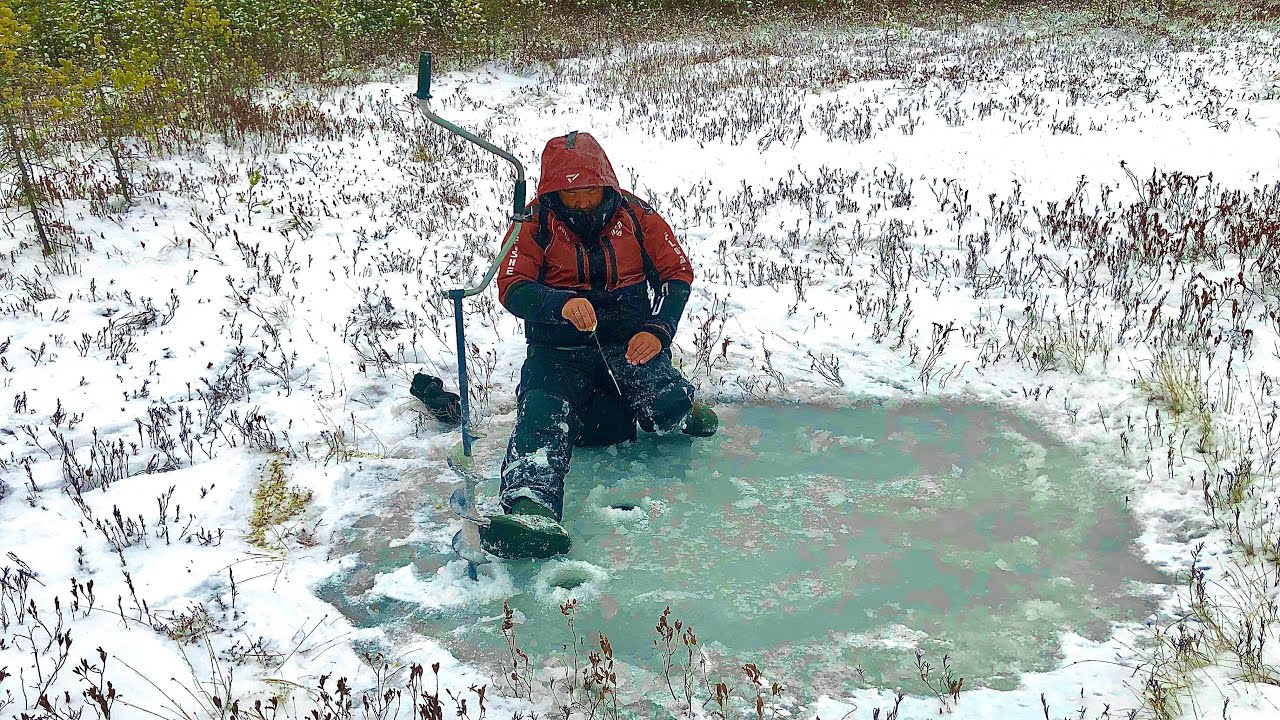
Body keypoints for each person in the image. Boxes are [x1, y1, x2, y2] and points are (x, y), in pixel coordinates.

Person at [479, 131, 717, 559]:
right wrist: (560, 304)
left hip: (628, 341)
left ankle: (679, 405)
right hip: (557, 350)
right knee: (542, 411)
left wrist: (657, 330)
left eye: (589, 190)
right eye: (570, 193)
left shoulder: (638, 216)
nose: (582, 201)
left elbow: (676, 274)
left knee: (664, 407)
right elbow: (512, 286)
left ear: (605, 182)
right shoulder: (531, 221)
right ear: (553, 191)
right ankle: (530, 505)